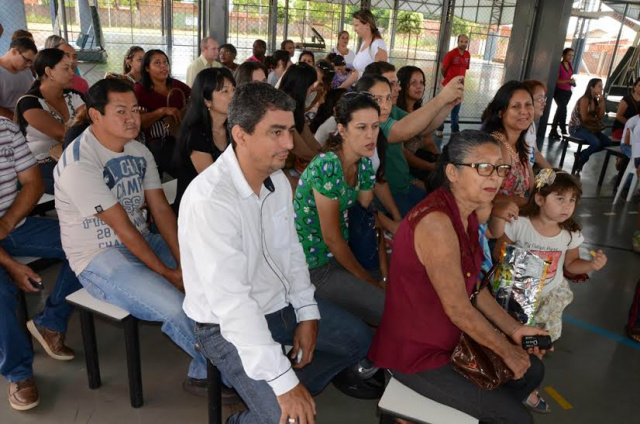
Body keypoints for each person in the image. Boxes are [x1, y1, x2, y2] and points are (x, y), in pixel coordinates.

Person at [179, 82, 373, 424]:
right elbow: (233, 304)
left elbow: (291, 253)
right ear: (240, 134)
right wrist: (282, 383)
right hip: (222, 326)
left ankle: (284, 394)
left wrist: (308, 313)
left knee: (357, 340)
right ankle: (259, 412)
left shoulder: (277, 180)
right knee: (288, 419)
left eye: (291, 130)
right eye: (276, 132)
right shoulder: (212, 199)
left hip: (277, 305)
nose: (289, 143)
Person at [369, 130, 547, 424]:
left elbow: (473, 287)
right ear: (452, 172)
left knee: (532, 371)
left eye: (500, 169)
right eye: (483, 168)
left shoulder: (466, 215)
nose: (495, 177)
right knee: (517, 419)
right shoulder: (437, 223)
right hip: (418, 355)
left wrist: (514, 330)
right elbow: (459, 308)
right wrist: (506, 350)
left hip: (451, 340)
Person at [54, 78, 208, 395]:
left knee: (208, 277)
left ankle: (207, 367)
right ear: (95, 116)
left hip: (141, 239)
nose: (133, 118)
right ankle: (222, 370)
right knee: (176, 306)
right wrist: (168, 274)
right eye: (120, 111)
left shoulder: (138, 150)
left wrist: (184, 262)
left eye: (135, 109)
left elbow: (161, 211)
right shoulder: (79, 162)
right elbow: (121, 227)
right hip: (99, 258)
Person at [0, 118, 82, 411]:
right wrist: (10, 265)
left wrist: (7, 222)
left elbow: (33, 183)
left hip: (15, 224)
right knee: (2, 294)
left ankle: (50, 323)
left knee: (86, 242)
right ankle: (19, 373)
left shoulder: (6, 129)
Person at [295, 93, 386, 325]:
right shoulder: (326, 166)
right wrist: (369, 280)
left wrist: (383, 274)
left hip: (345, 252)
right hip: (315, 264)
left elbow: (368, 218)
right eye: (361, 127)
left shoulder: (364, 163)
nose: (370, 135)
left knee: (396, 290)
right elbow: (332, 239)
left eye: (375, 127)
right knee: (385, 306)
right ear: (342, 130)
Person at [497, 169, 607, 342]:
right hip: (519, 292)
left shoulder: (570, 233)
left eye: (572, 200)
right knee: (512, 331)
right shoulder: (519, 223)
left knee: (541, 338)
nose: (567, 206)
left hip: (550, 294)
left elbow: (571, 264)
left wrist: (591, 265)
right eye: (560, 198)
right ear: (540, 199)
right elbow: (499, 254)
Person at [358, 70, 463, 215]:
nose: (397, 89)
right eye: (378, 98)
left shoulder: (390, 111)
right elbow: (403, 130)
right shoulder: (372, 124)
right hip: (388, 195)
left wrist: (448, 104)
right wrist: (441, 98)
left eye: (388, 97)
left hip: (403, 184)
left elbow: (423, 127)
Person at [15, 48, 86, 195]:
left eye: (72, 68)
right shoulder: (29, 103)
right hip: (37, 165)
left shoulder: (73, 96)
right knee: (81, 182)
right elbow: (64, 135)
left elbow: (94, 123)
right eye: (66, 68)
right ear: (48, 71)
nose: (72, 73)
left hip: (71, 158)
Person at [174, 67, 235, 213]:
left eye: (234, 89)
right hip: (199, 210)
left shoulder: (233, 130)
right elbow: (214, 183)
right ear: (207, 101)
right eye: (225, 91)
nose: (233, 96)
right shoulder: (195, 135)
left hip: (225, 203)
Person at [135, 49, 191, 176]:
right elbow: (139, 121)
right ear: (147, 68)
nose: (163, 66)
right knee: (183, 170)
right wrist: (162, 111)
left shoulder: (176, 85)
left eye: (165, 62)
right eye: (157, 63)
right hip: (159, 140)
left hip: (182, 136)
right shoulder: (140, 90)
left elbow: (196, 95)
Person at [482, 80, 535, 206]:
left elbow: (532, 187)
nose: (524, 111)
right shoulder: (497, 147)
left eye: (528, 105)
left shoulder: (518, 144)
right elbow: (485, 196)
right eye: (516, 106)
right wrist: (528, 204)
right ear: (501, 112)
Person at [397, 65, 440, 182]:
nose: (419, 86)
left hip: (420, 161)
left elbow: (428, 142)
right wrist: (430, 166)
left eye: (421, 82)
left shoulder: (419, 112)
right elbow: (403, 153)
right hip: (404, 168)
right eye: (413, 82)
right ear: (403, 85)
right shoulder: (396, 113)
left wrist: (440, 160)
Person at [279, 63, 322, 164]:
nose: (313, 88)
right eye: (311, 84)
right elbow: (298, 147)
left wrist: (324, 154)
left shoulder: (295, 105)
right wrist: (322, 161)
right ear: (302, 85)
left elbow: (308, 137)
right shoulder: (283, 108)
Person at [568, 78, 612, 174]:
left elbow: (600, 116)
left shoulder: (595, 101)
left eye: (602, 87)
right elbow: (584, 118)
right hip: (576, 128)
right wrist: (596, 120)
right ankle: (581, 161)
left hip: (589, 128)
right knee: (596, 143)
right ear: (591, 87)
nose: (602, 89)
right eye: (599, 86)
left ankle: (581, 154)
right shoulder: (584, 99)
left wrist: (602, 102)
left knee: (608, 142)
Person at [338, 9, 388, 88]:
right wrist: (339, 89)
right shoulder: (364, 43)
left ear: (367, 25)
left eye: (356, 25)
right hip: (359, 90)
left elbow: (380, 77)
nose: (354, 29)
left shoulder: (377, 45)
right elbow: (357, 73)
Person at [436, 34, 470, 137]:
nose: (463, 44)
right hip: (448, 87)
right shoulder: (451, 54)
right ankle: (439, 129)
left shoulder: (468, 55)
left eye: (465, 42)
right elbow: (443, 69)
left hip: (460, 87)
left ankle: (454, 131)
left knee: (455, 111)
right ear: (457, 42)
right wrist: (449, 80)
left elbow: (465, 69)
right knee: (444, 109)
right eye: (461, 41)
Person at [0, 37, 36, 119]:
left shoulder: (26, 71)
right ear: (14, 51)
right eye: (26, 60)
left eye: (31, 62)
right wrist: (17, 119)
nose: (28, 65)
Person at [522, 80, 552, 169]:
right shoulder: (518, 128)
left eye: (544, 98)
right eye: (540, 99)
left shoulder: (531, 125)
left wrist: (553, 173)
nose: (544, 103)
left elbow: (535, 152)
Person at [549, 48, 575, 140]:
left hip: (567, 91)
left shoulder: (570, 64)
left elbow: (569, 76)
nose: (570, 57)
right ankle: (563, 129)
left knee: (560, 110)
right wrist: (568, 80)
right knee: (563, 109)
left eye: (572, 55)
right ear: (563, 55)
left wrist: (571, 81)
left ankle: (553, 130)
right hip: (559, 90)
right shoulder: (559, 66)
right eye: (569, 55)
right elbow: (556, 80)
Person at [611, 77, 640, 141]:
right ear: (634, 87)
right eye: (639, 85)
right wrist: (632, 125)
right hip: (621, 129)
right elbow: (619, 116)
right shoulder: (626, 99)